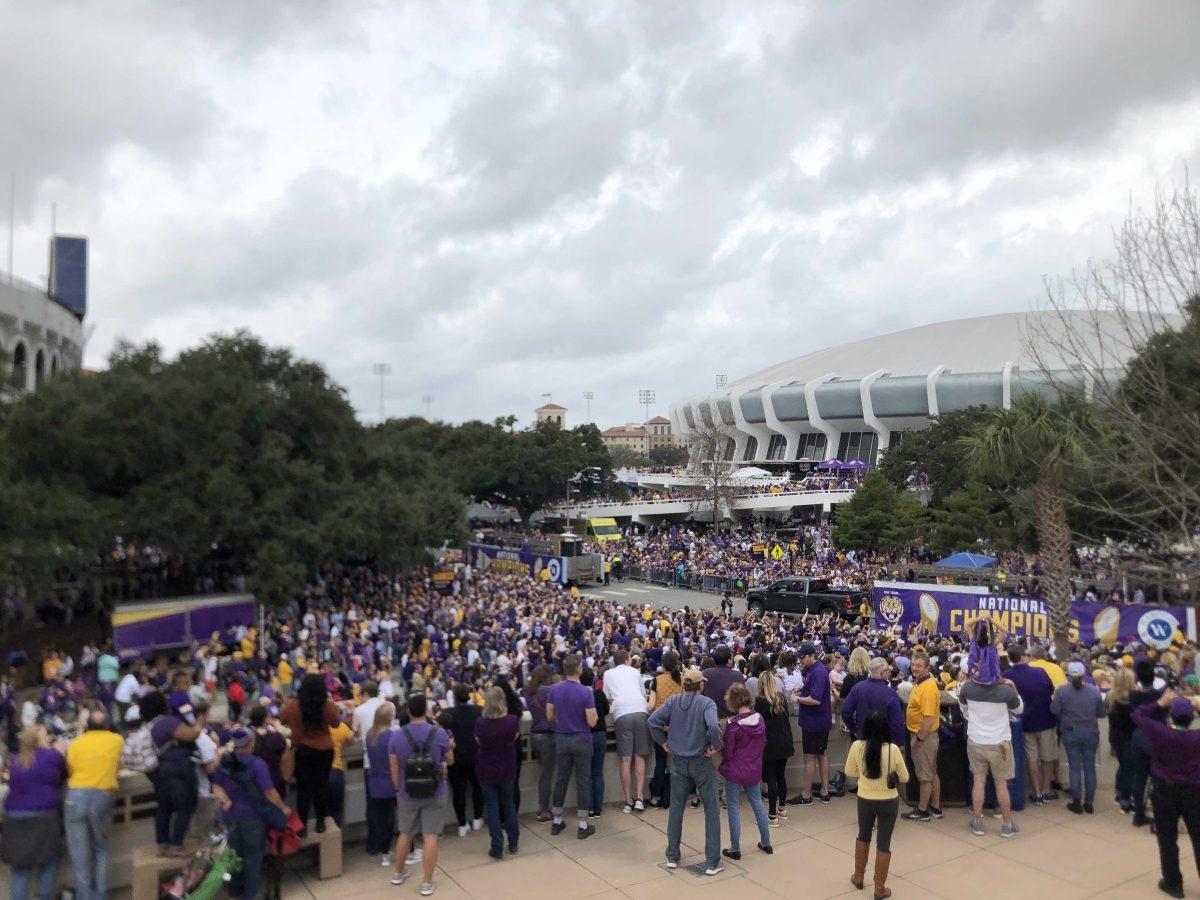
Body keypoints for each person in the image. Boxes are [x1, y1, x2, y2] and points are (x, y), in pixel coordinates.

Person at [647, 666, 724, 876]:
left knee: (676, 809)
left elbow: (653, 720)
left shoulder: (673, 701)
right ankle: (712, 862)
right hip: (701, 761)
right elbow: (714, 727)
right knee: (711, 811)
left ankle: (672, 856)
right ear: (700, 685)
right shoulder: (706, 703)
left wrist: (663, 742)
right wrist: (715, 746)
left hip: (679, 761)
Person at [1131, 691, 1200, 899]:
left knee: (1167, 839)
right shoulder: (1196, 738)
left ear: (1171, 715)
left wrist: (1160, 703)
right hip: (1194, 791)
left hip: (1165, 791)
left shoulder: (1161, 733)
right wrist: (1198, 705)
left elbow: (1137, 715)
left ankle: (1173, 883)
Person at [211, 727, 292, 900]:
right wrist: (283, 808)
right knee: (253, 858)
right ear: (251, 744)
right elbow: (269, 792)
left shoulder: (225, 762)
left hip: (230, 817)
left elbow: (216, 787)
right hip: (253, 818)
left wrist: (226, 801)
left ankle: (235, 892)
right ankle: (250, 895)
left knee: (234, 856)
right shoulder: (257, 765)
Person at [958, 627, 1023, 838]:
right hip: (1000, 743)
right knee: (1001, 783)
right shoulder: (1005, 691)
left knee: (978, 781)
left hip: (976, 741)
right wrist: (1014, 688)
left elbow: (964, 711)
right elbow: (1019, 709)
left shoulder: (967, 688)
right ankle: (1007, 824)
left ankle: (977, 821)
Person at [389, 692, 452, 896]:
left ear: (407, 710)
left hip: (407, 792)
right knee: (430, 835)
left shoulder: (397, 736)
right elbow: (450, 760)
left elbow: (394, 767)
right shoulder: (439, 734)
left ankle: (398, 873)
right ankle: (426, 882)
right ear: (426, 709)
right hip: (435, 790)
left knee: (405, 833)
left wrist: (399, 788)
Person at [844, 712, 909, 900]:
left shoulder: (857, 746)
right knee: (884, 842)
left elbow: (850, 771)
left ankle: (858, 876)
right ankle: (879, 887)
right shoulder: (893, 749)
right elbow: (905, 778)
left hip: (865, 798)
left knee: (863, 836)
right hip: (889, 800)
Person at [64, 709, 124, 900]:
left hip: (75, 796)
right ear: (107, 726)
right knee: (100, 848)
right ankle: (100, 895)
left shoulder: (75, 744)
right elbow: (120, 763)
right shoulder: (117, 740)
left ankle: (84, 896)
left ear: (87, 727)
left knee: (78, 854)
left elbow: (70, 768)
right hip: (103, 795)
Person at [2, 725, 67, 900]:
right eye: (46, 736)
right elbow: (64, 774)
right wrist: (60, 751)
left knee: (20, 868)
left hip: (14, 817)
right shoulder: (52, 756)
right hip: (44, 815)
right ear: (39, 740)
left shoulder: (15, 760)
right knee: (50, 859)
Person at [141, 689, 205, 855]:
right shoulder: (166, 723)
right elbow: (191, 735)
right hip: (177, 768)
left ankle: (162, 844)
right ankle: (176, 845)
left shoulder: (149, 725)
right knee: (186, 804)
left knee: (164, 806)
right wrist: (199, 722)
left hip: (159, 770)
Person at [279, 673, 341, 835]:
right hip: (326, 751)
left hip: (303, 750)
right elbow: (336, 723)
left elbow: (282, 719)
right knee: (321, 786)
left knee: (303, 789)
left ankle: (302, 825)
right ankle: (321, 822)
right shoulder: (327, 706)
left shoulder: (294, 706)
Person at [718, 682, 773, 861]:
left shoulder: (733, 724)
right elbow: (763, 743)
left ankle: (736, 848)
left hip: (735, 769)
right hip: (754, 767)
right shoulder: (759, 719)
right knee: (757, 803)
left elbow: (728, 751)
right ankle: (766, 842)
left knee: (733, 807)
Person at [546, 654, 598, 839]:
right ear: (579, 670)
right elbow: (592, 721)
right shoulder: (586, 692)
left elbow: (550, 716)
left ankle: (557, 820)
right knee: (583, 781)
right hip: (581, 738)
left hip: (562, 738)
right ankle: (583, 824)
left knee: (561, 779)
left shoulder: (554, 690)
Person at [1004, 643, 1059, 806]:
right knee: (1048, 756)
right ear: (1023, 657)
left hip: (1024, 722)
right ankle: (1046, 789)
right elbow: (1050, 690)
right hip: (1045, 719)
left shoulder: (1007, 675)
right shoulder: (1040, 672)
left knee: (1032, 757)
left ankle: (1036, 791)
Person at [1051, 660, 1107, 814]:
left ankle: (1076, 801)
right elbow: (1102, 713)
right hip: (1090, 732)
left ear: (1068, 674)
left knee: (1075, 767)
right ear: (1084, 674)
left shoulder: (1062, 691)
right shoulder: (1094, 691)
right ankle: (1089, 803)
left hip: (1071, 732)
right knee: (1089, 767)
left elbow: (1054, 710)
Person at [603, 648, 651, 813]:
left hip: (621, 714)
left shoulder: (608, 674)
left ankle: (628, 801)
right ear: (627, 660)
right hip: (640, 711)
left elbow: (608, 698)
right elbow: (643, 694)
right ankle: (639, 798)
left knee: (625, 759)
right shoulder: (635, 672)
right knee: (639, 757)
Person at [475, 686, 520, 860]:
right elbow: (514, 737)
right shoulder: (511, 721)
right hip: (507, 767)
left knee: (492, 807)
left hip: (486, 768)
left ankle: (497, 847)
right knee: (508, 805)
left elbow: (478, 740)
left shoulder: (481, 723)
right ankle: (514, 842)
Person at [789, 642, 832, 805]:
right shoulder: (816, 670)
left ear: (812, 656)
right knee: (822, 755)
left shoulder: (818, 672)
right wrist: (802, 687)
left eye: (803, 657)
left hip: (815, 722)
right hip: (819, 721)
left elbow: (815, 699)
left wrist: (797, 698)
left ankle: (806, 795)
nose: (800, 660)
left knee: (809, 758)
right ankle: (825, 791)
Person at [901, 652, 942, 822]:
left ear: (928, 668)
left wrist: (919, 739)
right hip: (924, 735)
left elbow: (928, 719)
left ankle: (923, 810)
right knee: (932, 772)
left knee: (924, 776)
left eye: (919, 666)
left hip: (924, 736)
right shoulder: (920, 683)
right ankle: (936, 807)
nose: (915, 668)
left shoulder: (928, 688)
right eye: (914, 664)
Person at [755, 670, 794, 825]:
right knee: (780, 776)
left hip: (768, 744)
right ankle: (781, 808)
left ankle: (771, 815)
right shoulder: (781, 698)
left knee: (770, 778)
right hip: (784, 742)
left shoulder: (759, 701)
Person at [1129, 658, 1164, 827]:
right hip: (1156, 738)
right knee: (1158, 778)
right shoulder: (1159, 696)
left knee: (1139, 777)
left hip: (1138, 736)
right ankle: (1158, 815)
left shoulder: (1133, 695)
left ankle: (1139, 814)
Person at [446, 683, 484, 835]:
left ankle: (462, 825)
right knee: (477, 787)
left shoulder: (448, 713)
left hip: (456, 758)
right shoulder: (478, 711)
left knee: (458, 791)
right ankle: (477, 818)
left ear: (454, 698)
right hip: (476, 755)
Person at [647, 650, 682, 808]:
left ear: (662, 664)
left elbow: (651, 705)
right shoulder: (682, 680)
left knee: (660, 762)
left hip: (661, 727)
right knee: (681, 762)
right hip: (679, 726)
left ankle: (655, 797)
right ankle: (687, 796)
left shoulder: (656, 680)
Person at [842, 657, 905, 745]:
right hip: (884, 742)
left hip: (862, 739)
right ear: (883, 673)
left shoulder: (857, 688)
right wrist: (899, 743)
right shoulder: (891, 694)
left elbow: (845, 712)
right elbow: (897, 723)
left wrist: (855, 730)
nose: (889, 673)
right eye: (887, 670)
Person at [364, 702, 397, 866]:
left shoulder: (370, 735)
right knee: (391, 819)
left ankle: (383, 850)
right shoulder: (391, 737)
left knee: (380, 818)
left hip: (375, 781)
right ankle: (390, 850)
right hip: (390, 781)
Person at [524, 665, 556, 822]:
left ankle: (542, 807)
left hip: (535, 734)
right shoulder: (549, 690)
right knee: (547, 775)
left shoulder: (529, 692)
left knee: (544, 771)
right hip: (549, 735)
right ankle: (544, 810)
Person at [582, 668, 609, 817]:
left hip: (586, 736)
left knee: (587, 774)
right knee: (598, 773)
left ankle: (589, 808)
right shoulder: (599, 693)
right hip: (600, 734)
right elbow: (606, 710)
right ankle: (598, 808)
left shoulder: (580, 695)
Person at [327, 709, 354, 828]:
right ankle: (336, 839)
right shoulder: (342, 727)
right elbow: (352, 739)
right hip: (336, 771)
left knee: (323, 811)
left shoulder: (320, 729)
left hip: (321, 773)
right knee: (337, 809)